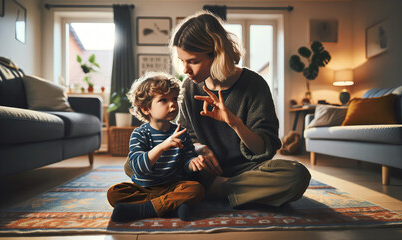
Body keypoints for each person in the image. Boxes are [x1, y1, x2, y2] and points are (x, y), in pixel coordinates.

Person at [126, 11, 312, 209]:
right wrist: (200, 149)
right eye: (182, 61)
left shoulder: (254, 85)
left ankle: (210, 190)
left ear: (216, 54)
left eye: (193, 61)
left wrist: (235, 123)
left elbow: (264, 150)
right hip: (202, 170)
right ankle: (223, 192)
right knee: (133, 163)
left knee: (296, 176)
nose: (186, 70)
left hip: (246, 171)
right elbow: (186, 136)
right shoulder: (190, 87)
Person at [107, 72, 205, 222]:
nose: (172, 104)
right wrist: (162, 146)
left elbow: (186, 161)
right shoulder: (139, 134)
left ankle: (145, 209)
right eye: (163, 100)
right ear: (146, 109)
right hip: (144, 189)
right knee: (114, 192)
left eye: (174, 99)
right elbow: (138, 166)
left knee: (196, 188)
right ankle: (172, 207)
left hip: (172, 187)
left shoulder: (181, 132)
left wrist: (192, 163)